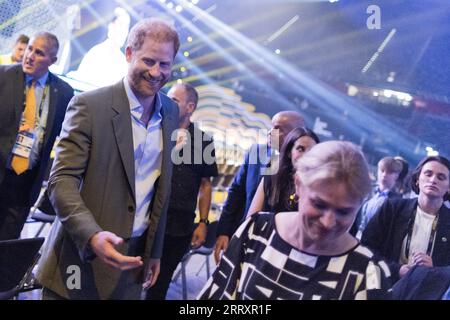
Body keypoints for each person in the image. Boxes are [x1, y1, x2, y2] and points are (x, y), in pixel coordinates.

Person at [36, 18, 180, 300]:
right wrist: (91, 235)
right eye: (148, 61)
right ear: (129, 54)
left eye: (164, 64)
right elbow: (61, 180)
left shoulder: (171, 112)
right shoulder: (89, 105)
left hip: (133, 264)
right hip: (78, 260)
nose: (155, 72)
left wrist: (155, 251)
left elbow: (161, 188)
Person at [199, 141, 392, 300]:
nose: (328, 221)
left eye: (344, 212)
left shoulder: (369, 273)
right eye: (319, 204)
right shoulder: (256, 231)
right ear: (298, 185)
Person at [145, 83, 218, 300]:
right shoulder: (153, 129)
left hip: (180, 225)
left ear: (190, 107)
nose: (168, 102)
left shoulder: (204, 141)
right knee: (127, 275)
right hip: (146, 218)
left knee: (160, 282)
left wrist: (203, 222)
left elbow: (205, 185)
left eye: (175, 100)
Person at [0, 32, 74, 240]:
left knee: (6, 251)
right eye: (30, 48)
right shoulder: (3, 76)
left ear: (53, 60)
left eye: (39, 52)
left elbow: (63, 136)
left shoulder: (64, 92)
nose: (29, 55)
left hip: (24, 186)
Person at [214, 111, 305, 263]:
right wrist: (223, 232)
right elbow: (236, 192)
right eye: (272, 126)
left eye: (279, 129)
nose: (271, 132)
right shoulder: (256, 152)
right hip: (242, 236)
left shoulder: (304, 169)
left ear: (298, 133)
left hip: (277, 250)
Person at [361, 156, 450, 283]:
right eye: (428, 174)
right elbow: (365, 249)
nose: (433, 180)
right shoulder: (392, 208)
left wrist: (433, 270)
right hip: (384, 286)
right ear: (418, 179)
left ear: (449, 187)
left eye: (441, 177)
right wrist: (397, 269)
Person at [247, 127, 319, 216]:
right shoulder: (272, 177)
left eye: (312, 151)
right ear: (289, 152)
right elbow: (251, 218)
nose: (307, 155)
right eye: (300, 149)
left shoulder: (319, 187)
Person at [67, 7, 130, 87]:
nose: (124, 31)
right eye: (120, 25)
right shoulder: (97, 53)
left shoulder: (124, 62)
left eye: (126, 27)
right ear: (111, 26)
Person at [352, 156, 403, 237]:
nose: (384, 175)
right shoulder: (366, 190)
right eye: (382, 171)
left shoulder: (398, 201)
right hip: (353, 237)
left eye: (389, 172)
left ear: (396, 175)